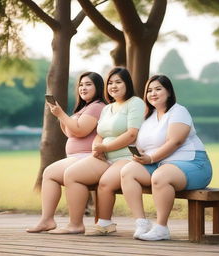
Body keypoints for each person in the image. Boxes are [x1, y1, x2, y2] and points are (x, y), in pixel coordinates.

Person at [48, 67, 146, 235]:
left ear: (127, 84)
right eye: (110, 83)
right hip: (104, 157)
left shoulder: (135, 103)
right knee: (71, 174)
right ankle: (75, 224)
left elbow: (131, 134)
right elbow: (100, 134)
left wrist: (105, 147)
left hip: (125, 156)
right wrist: (96, 148)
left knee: (105, 183)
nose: (113, 86)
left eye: (118, 82)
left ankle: (104, 224)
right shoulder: (108, 108)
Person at [120, 75, 212, 241]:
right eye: (149, 90)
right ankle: (142, 223)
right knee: (128, 171)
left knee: (160, 176)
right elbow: (143, 143)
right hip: (160, 164)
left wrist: (150, 158)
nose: (153, 93)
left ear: (168, 92)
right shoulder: (148, 116)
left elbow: (175, 141)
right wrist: (140, 153)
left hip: (193, 164)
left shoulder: (179, 111)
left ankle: (161, 227)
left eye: (158, 89)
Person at [26, 71, 106, 233]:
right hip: (77, 157)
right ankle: (47, 220)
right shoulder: (84, 108)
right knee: (49, 173)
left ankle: (75, 224)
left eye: (88, 84)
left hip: (89, 158)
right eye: (81, 85)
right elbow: (70, 132)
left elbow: (80, 131)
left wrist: (61, 114)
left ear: (98, 87)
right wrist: (62, 116)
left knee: (67, 174)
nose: (83, 88)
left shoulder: (97, 107)